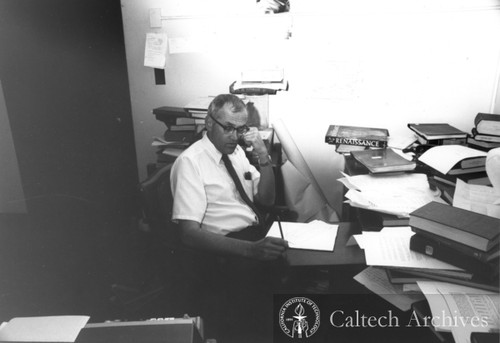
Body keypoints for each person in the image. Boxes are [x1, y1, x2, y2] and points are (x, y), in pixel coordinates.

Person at [170, 94, 288, 339]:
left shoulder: (235, 153)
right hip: (224, 251)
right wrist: (250, 250)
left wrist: (264, 158)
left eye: (241, 129)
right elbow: (188, 235)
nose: (235, 137)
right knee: (263, 314)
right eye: (229, 129)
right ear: (209, 122)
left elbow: (266, 201)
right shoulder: (190, 163)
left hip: (253, 235)